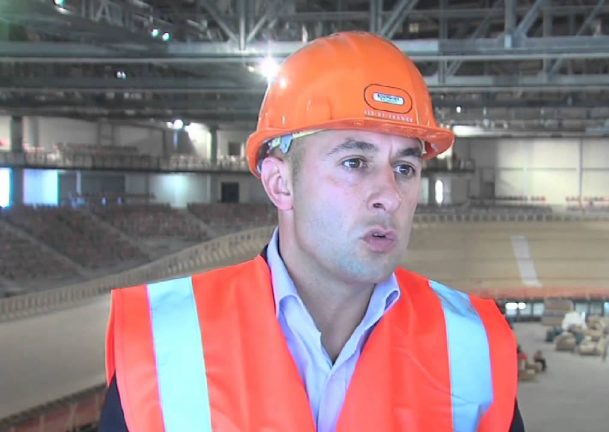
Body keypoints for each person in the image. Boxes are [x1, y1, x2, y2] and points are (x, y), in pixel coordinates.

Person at [99, 31, 524, 431]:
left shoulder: (473, 346)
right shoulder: (163, 342)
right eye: (355, 163)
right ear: (280, 183)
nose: (390, 196)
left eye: (405, 168)